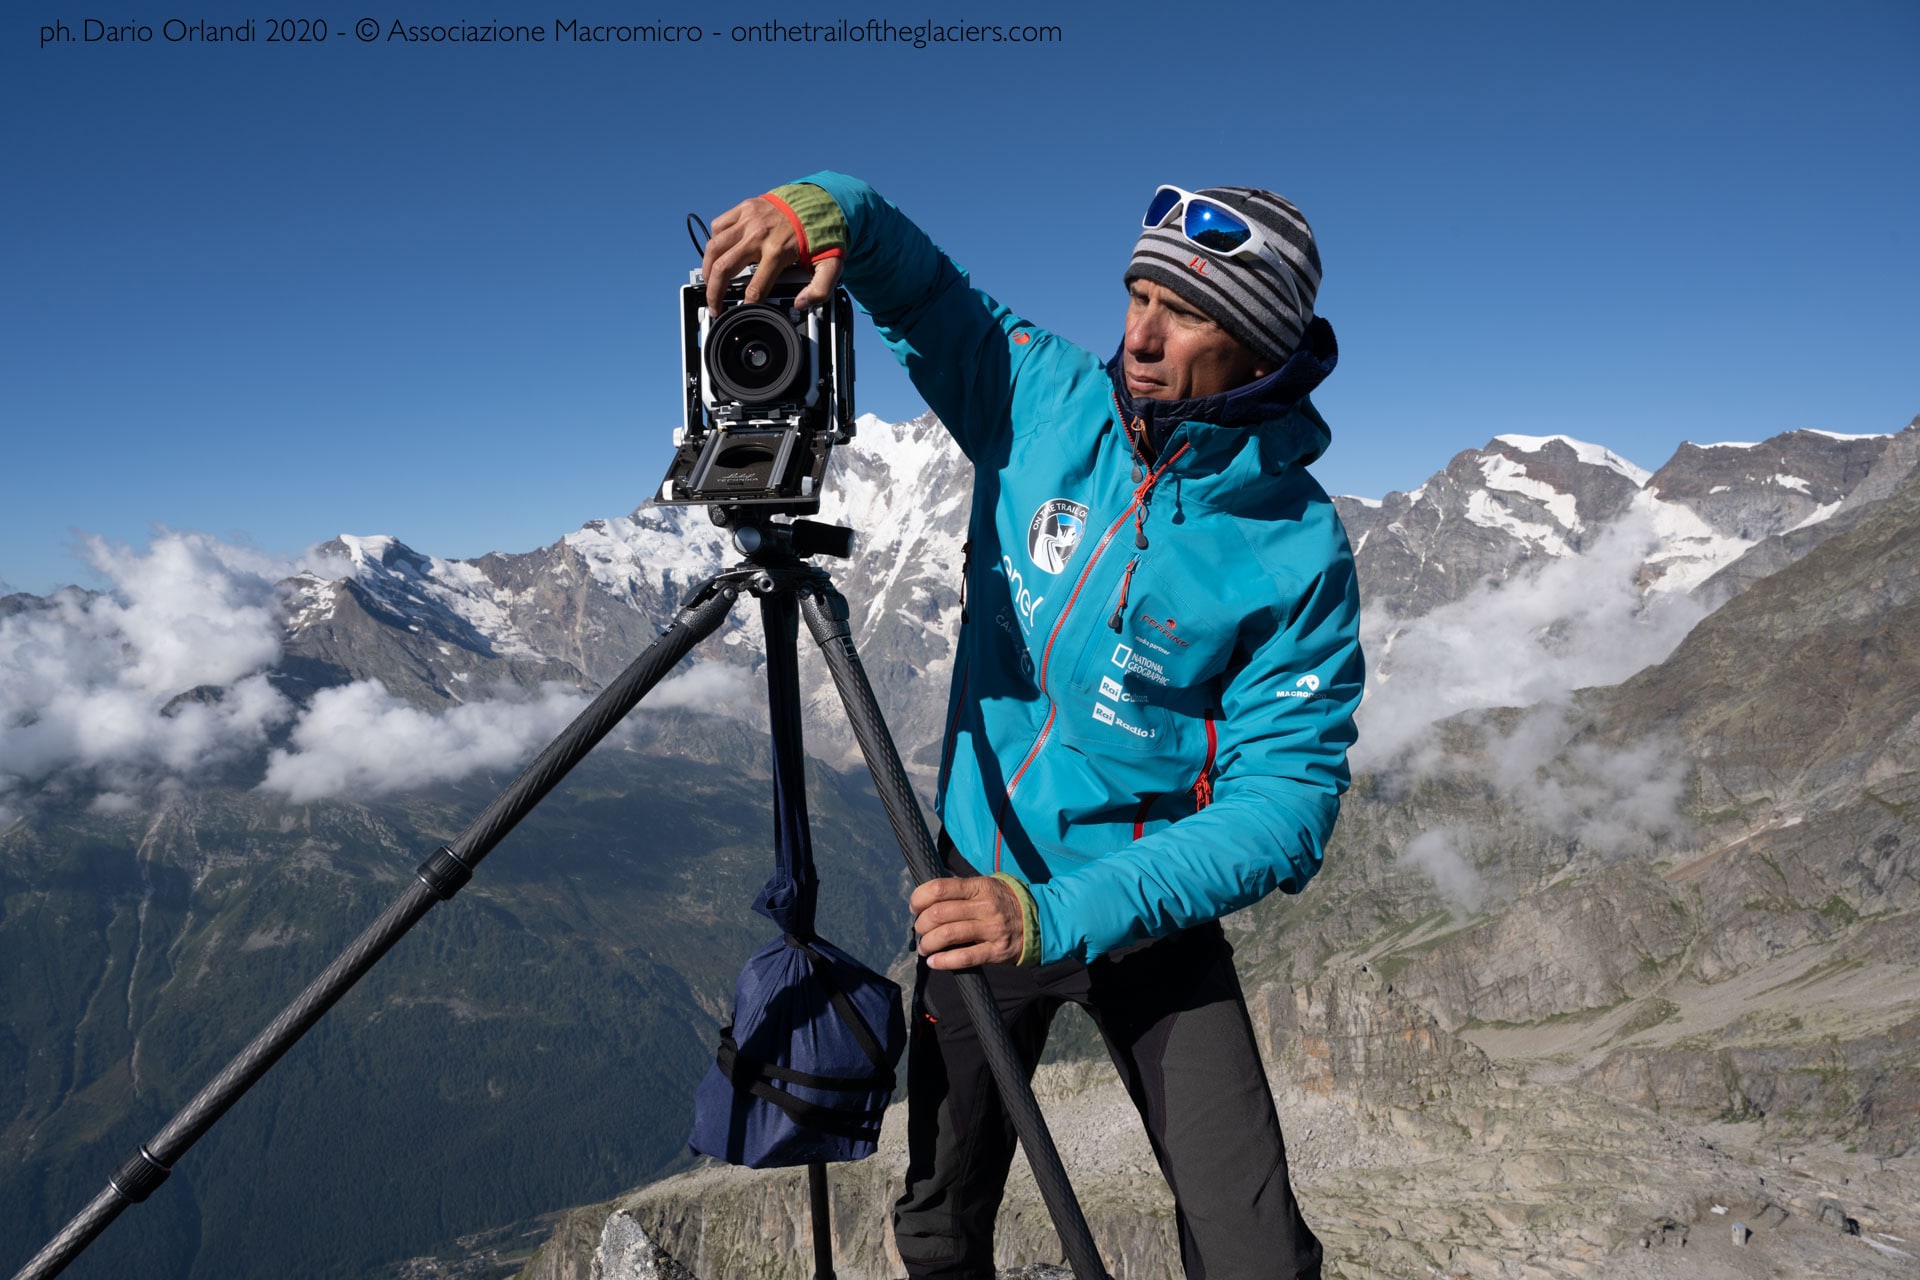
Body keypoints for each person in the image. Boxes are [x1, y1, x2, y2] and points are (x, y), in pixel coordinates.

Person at [700, 173, 1363, 1280]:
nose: (1140, 335)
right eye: (1136, 293)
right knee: (939, 1216)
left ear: (1259, 345)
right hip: (977, 880)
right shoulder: (1047, 402)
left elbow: (1286, 807)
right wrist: (831, 205)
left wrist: (1056, 912)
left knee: (1257, 1250)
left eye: (1186, 310)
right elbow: (922, 287)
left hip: (1145, 907)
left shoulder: (1295, 548)